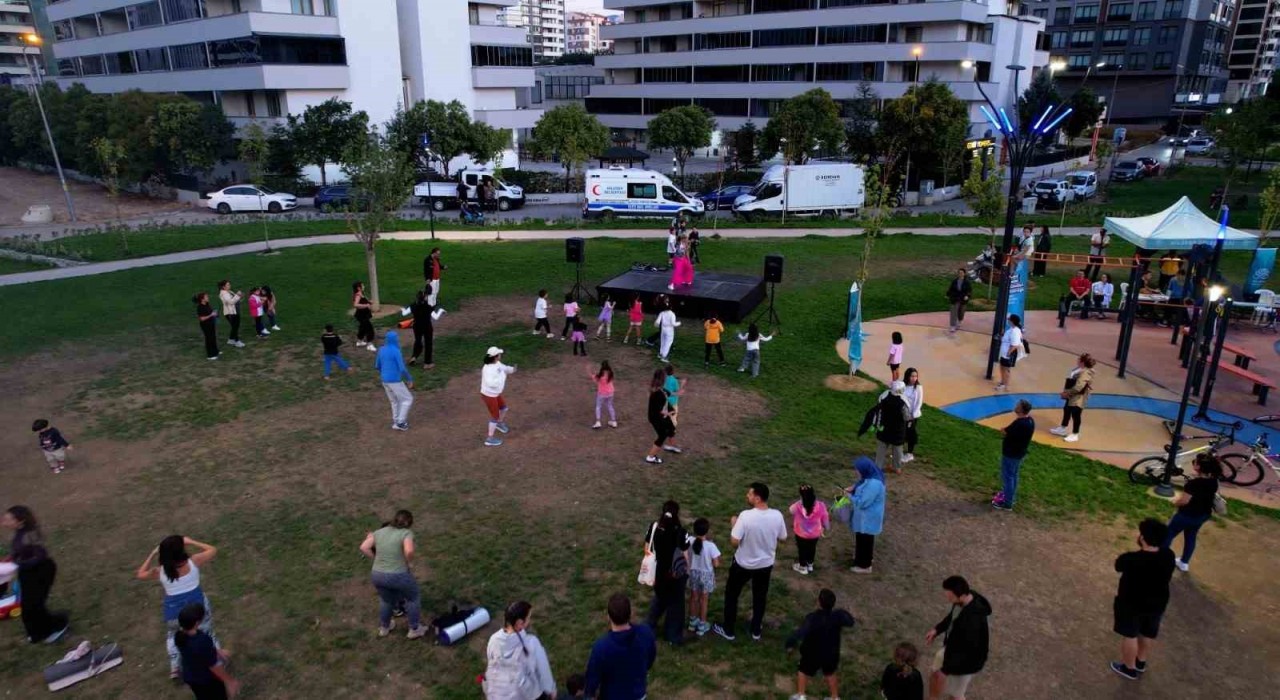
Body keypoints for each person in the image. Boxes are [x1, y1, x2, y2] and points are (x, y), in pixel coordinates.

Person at [135, 535, 223, 678]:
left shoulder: (159, 571)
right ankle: (216, 659)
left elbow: (140, 574)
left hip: (173, 612)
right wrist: (192, 541)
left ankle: (175, 665)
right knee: (207, 633)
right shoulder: (194, 561)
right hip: (197, 608)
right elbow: (212, 549)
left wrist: (152, 553)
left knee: (173, 637)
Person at [712, 482, 788, 642]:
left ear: (758, 498)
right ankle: (756, 630)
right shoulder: (777, 515)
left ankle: (729, 630)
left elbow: (734, 542)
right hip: (765, 565)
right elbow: (783, 538)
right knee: (760, 596)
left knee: (732, 594)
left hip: (743, 564)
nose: (747, 496)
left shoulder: (745, 516)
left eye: (750, 494)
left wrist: (734, 524)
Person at [1109, 519, 1176, 681]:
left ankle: (1128, 668)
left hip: (1131, 604)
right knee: (1147, 632)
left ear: (1143, 538)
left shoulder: (1131, 559)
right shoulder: (1168, 556)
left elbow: (1118, 566)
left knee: (1130, 635)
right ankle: (1141, 661)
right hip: (1157, 604)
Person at [2, 505, 69, 644]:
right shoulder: (19, 533)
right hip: (27, 573)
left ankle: (55, 627)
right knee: (28, 605)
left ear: (20, 521)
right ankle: (37, 633)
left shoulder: (30, 535)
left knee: (33, 605)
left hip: (41, 572)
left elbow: (40, 556)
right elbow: (20, 552)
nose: (4, 522)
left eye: (8, 519)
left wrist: (18, 564)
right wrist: (11, 560)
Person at [358, 509, 429, 639]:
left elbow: (363, 547)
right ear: (408, 522)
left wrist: (376, 558)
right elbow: (409, 551)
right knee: (413, 598)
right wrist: (409, 563)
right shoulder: (406, 533)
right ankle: (414, 629)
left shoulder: (379, 532)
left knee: (386, 601)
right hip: (398, 575)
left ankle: (385, 627)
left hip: (377, 574)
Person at [924, 576, 991, 700]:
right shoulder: (964, 600)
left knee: (956, 696)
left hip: (966, 663)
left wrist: (945, 670)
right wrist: (937, 629)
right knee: (935, 675)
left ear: (961, 596)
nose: (949, 600)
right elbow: (952, 618)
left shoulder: (973, 621)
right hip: (952, 650)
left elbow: (968, 651)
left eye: (950, 597)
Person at [785, 588, 855, 700]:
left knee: (803, 670)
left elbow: (800, 633)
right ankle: (834, 697)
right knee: (830, 673)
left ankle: (801, 695)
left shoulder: (812, 618)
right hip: (831, 654)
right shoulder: (837, 616)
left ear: (818, 602)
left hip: (812, 653)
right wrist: (842, 611)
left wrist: (789, 644)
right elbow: (850, 622)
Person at [584, 593, 657, 700]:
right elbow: (650, 658)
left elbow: (592, 679)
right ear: (630, 613)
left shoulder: (602, 648)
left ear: (608, 617)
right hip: (638, 693)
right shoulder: (646, 633)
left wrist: (589, 695)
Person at [482, 601, 557, 699]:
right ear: (520, 623)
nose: (529, 621)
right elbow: (543, 670)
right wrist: (551, 689)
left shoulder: (493, 640)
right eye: (528, 618)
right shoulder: (531, 643)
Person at [1163, 453, 1221, 572]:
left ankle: (1159, 559)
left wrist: (1175, 501)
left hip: (1186, 515)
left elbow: (1184, 501)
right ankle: (1184, 562)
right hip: (1202, 515)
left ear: (1199, 467)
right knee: (1191, 536)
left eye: (1196, 462)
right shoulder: (1213, 481)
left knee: (1169, 534)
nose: (1194, 462)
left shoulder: (1193, 484)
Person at [643, 501, 691, 645]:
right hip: (675, 575)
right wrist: (687, 571)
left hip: (658, 572)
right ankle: (673, 636)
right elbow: (685, 554)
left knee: (659, 598)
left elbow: (647, 548)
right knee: (676, 605)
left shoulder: (654, 527)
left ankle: (649, 626)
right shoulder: (681, 532)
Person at [174, 603, 239, 700]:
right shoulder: (202, 640)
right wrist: (229, 681)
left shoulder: (179, 635)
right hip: (206, 680)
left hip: (191, 677)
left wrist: (216, 651)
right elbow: (214, 666)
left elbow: (196, 652)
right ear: (197, 623)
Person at [992, 399, 1034, 511]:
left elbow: (1007, 432)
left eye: (1017, 405)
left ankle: (1007, 503)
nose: (1015, 406)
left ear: (1021, 409)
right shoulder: (1029, 421)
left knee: (1008, 477)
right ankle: (1011, 496)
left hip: (1011, 454)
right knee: (1014, 476)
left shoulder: (1020, 423)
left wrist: (1004, 431)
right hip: (1019, 454)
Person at [846, 457, 886, 573]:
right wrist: (853, 488)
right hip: (866, 518)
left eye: (858, 470)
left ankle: (864, 565)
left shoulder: (874, 484)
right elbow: (861, 485)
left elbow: (863, 502)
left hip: (868, 519)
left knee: (865, 540)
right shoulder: (870, 477)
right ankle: (862, 558)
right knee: (863, 539)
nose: (856, 472)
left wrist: (849, 496)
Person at [686, 517, 720, 637]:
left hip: (693, 573)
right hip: (706, 575)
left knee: (693, 597)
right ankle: (702, 624)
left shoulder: (690, 540)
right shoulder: (711, 546)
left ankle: (692, 621)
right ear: (707, 531)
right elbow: (716, 563)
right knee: (703, 600)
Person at [1050, 353, 1095, 443]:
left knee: (1076, 414)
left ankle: (1075, 434)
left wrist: (1067, 393)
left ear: (1082, 362)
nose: (1077, 360)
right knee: (1066, 409)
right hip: (1071, 395)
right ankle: (1063, 428)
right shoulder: (1079, 369)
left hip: (1078, 397)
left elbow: (1079, 386)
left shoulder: (1086, 373)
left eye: (1079, 359)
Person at [374, 331, 414, 431]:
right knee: (408, 399)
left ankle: (396, 422)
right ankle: (400, 422)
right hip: (395, 381)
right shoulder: (396, 351)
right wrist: (409, 379)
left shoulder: (381, 350)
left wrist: (385, 373)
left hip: (384, 381)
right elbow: (402, 368)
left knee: (394, 401)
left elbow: (377, 366)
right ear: (395, 339)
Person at [870, 381, 910, 474]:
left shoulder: (883, 396)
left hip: (884, 428)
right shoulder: (903, 401)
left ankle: (877, 467)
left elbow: (878, 410)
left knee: (881, 449)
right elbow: (906, 417)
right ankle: (897, 468)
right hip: (898, 430)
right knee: (897, 450)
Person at [788, 484, 828, 576]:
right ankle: (810, 564)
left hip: (801, 533)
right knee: (811, 548)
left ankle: (803, 567)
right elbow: (825, 518)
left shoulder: (798, 506)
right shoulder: (821, 505)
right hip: (815, 533)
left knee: (802, 549)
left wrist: (800, 500)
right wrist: (825, 527)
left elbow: (791, 510)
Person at [482, 347, 517, 447]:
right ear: (496, 357)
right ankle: (489, 439)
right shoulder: (488, 369)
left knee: (504, 408)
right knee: (494, 416)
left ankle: (499, 423)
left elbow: (504, 368)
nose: (501, 355)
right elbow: (491, 383)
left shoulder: (497, 363)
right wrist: (502, 376)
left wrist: (512, 370)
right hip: (489, 395)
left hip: (495, 394)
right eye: (499, 354)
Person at [645, 368, 679, 464]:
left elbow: (668, 393)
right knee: (662, 435)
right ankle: (650, 457)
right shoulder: (657, 393)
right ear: (662, 379)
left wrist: (678, 393)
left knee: (671, 428)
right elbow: (659, 411)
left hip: (660, 415)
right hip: (656, 418)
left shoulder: (660, 389)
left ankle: (672, 446)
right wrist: (669, 413)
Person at [407, 290, 445, 369]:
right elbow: (435, 317)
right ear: (424, 298)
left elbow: (405, 312)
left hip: (416, 326)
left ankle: (414, 356)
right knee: (428, 343)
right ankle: (427, 363)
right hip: (426, 327)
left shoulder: (413, 306)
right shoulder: (427, 307)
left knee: (418, 341)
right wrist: (441, 311)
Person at [994, 314, 1023, 392]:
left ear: (1012, 321)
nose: (1008, 320)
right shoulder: (1011, 329)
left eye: (1009, 319)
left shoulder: (1015, 332)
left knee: (1006, 369)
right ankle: (1002, 382)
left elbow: (1015, 345)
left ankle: (1006, 386)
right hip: (1004, 354)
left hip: (1008, 355)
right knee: (1002, 367)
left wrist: (1008, 353)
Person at [902, 368, 924, 463]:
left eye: (915, 376)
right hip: (903, 414)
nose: (914, 378)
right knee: (902, 432)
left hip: (912, 415)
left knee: (910, 433)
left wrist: (913, 415)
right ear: (907, 376)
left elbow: (919, 402)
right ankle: (899, 452)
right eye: (912, 376)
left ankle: (910, 454)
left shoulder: (918, 388)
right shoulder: (903, 386)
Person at [590, 360, 617, 429]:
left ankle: (598, 422)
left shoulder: (600, 375)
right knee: (610, 406)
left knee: (598, 406)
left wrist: (592, 376)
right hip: (611, 393)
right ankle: (614, 421)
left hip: (602, 393)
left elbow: (596, 380)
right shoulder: (611, 373)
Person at [218, 280, 244, 349]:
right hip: (230, 312)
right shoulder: (223, 294)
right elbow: (231, 302)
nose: (229, 286)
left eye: (229, 284)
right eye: (228, 285)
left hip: (235, 311)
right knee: (235, 327)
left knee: (235, 326)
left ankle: (231, 340)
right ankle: (237, 341)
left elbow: (235, 300)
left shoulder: (229, 291)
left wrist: (240, 297)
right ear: (223, 287)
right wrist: (237, 295)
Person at [193, 292, 219, 361]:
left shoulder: (207, 304)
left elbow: (210, 312)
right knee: (209, 339)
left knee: (213, 337)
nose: (208, 298)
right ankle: (210, 355)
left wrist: (215, 313)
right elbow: (201, 318)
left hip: (211, 323)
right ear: (202, 299)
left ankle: (216, 351)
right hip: (205, 325)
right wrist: (211, 315)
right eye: (206, 297)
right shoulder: (200, 307)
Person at [945, 268, 972, 333]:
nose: (960, 274)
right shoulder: (954, 281)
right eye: (959, 273)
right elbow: (951, 289)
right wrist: (947, 294)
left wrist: (967, 296)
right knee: (953, 311)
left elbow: (969, 291)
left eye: (961, 273)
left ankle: (960, 320)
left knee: (961, 312)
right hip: (955, 298)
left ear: (964, 274)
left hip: (963, 299)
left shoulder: (967, 282)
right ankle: (952, 326)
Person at [352, 281, 376, 351]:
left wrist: (369, 302)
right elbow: (355, 305)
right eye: (362, 285)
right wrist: (366, 305)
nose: (364, 286)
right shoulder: (358, 295)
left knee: (362, 328)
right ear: (359, 288)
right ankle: (369, 345)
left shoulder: (361, 294)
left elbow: (363, 301)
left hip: (363, 315)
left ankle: (359, 342)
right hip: (362, 315)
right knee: (369, 329)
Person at [655, 298, 681, 363]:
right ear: (671, 307)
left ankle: (660, 354)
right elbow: (673, 324)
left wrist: (657, 324)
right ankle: (664, 356)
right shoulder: (672, 314)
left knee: (663, 341)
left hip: (663, 329)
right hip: (669, 330)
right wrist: (679, 323)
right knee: (668, 343)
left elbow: (657, 322)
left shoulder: (662, 313)